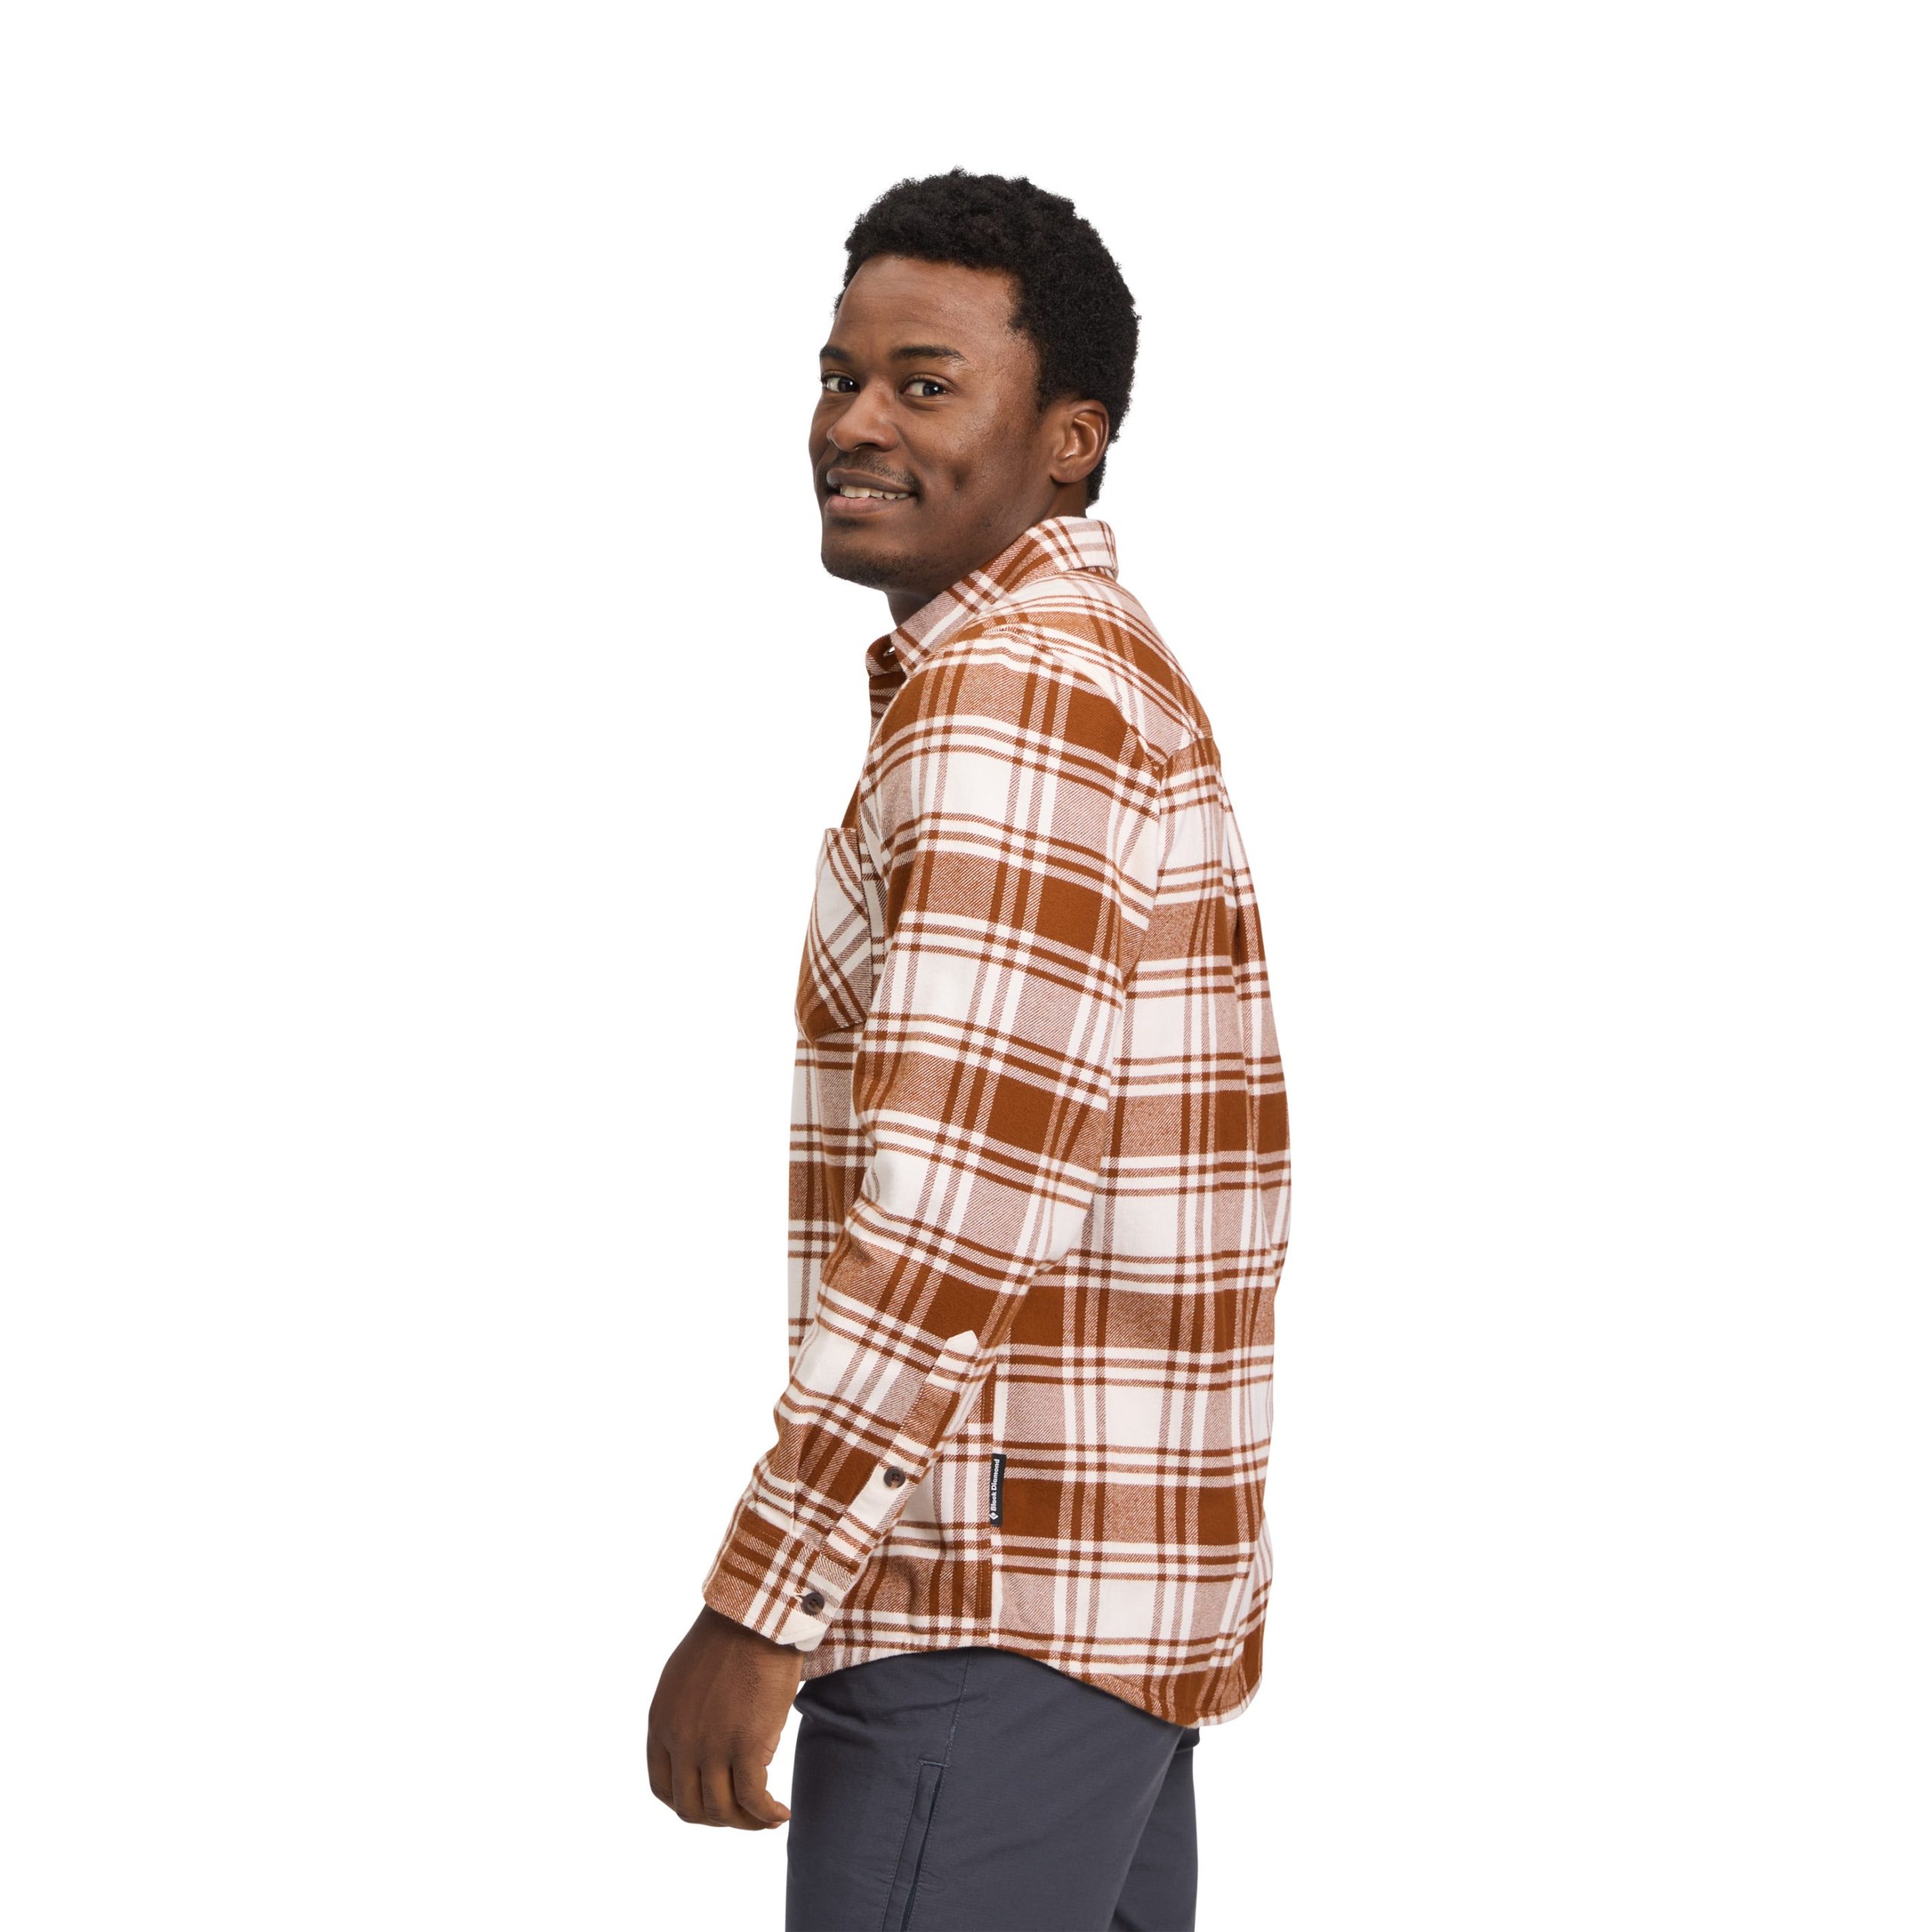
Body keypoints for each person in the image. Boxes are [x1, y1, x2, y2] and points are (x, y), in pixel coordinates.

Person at [647, 169, 1291, 1932]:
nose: (851, 422)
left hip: (981, 1614)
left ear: (1070, 440)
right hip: (1095, 1626)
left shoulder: (1014, 688)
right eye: (838, 374)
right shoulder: (1096, 668)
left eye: (923, 384)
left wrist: (759, 1597)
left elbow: (952, 1203)